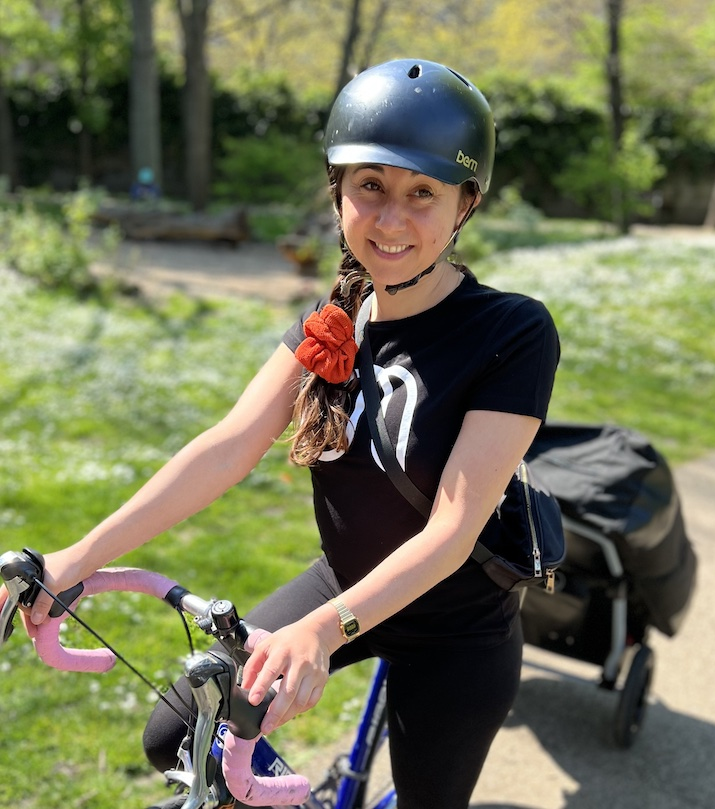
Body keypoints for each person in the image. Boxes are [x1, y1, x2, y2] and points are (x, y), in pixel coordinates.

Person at [5, 59, 560, 808]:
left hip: (454, 623)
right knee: (179, 734)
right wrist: (79, 556)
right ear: (337, 192)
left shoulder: (511, 331)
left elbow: (454, 528)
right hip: (341, 577)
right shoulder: (330, 324)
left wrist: (322, 633)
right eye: (371, 186)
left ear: (465, 203)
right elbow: (227, 446)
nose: (391, 218)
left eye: (421, 192)